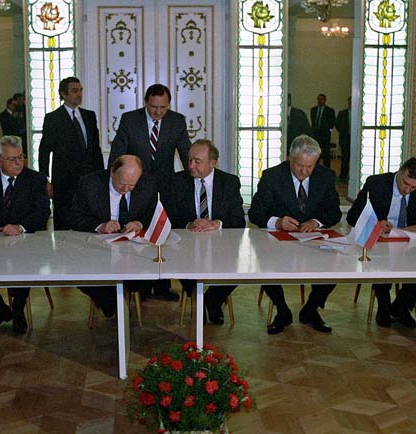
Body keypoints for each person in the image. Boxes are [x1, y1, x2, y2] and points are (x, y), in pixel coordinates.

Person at [248, 134, 342, 335]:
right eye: (300, 165)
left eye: (310, 166)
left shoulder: (325, 176)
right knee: (264, 265)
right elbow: (255, 212)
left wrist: (315, 222)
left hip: (312, 241)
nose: (305, 171)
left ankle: (310, 309)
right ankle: (282, 311)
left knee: (336, 266)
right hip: (277, 242)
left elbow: (334, 212)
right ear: (290, 157)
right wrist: (278, 222)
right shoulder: (272, 176)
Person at [109, 84, 191, 300]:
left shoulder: (177, 121)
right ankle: (142, 287)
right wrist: (113, 176)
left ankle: (163, 286)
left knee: (162, 234)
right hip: (138, 185)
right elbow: (118, 152)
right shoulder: (130, 119)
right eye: (154, 107)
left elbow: (185, 151)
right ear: (146, 102)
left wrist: (193, 176)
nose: (158, 112)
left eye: (163, 107)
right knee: (141, 233)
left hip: (166, 185)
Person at [346, 158, 416, 328]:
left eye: (414, 187)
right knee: (380, 263)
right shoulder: (376, 183)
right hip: (381, 242)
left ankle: (401, 307)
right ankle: (383, 306)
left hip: (409, 243)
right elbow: (353, 215)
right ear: (399, 171)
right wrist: (376, 223)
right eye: (405, 183)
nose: (407, 190)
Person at [0, 135, 50, 334]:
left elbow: (42, 212)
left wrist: (20, 227)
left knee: (24, 266)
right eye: (11, 159)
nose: (18, 162)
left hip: (27, 241)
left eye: (20, 157)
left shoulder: (36, 179)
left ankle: (18, 309)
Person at [164, 140, 245, 324]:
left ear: (212, 163)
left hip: (221, 246)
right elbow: (168, 218)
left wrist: (217, 223)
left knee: (237, 270)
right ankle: (198, 300)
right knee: (184, 267)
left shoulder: (229, 182)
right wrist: (189, 224)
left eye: (197, 161)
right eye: (189, 160)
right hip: (186, 247)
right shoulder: (176, 181)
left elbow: (238, 220)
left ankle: (212, 302)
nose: (191, 165)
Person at [69, 155, 156, 317]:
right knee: (81, 275)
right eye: (122, 184)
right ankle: (112, 303)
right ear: (112, 173)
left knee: (150, 272)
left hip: (134, 252)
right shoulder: (90, 183)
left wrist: (140, 223)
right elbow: (75, 216)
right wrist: (100, 226)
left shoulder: (147, 184)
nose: (126, 190)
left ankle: (119, 303)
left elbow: (154, 213)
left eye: (131, 186)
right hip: (97, 250)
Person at [39, 77, 104, 230]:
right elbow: (44, 151)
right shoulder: (53, 118)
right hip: (64, 180)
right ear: (64, 94)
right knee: (63, 221)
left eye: (80, 90)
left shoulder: (89, 116)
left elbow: (95, 149)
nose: (79, 94)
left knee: (89, 218)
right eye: (74, 91)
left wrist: (101, 175)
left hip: (88, 178)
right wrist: (44, 179)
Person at [310, 93, 335, 167]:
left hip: (325, 135)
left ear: (324, 100)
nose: (320, 101)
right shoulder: (313, 110)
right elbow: (313, 122)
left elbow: (332, 122)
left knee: (326, 154)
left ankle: (326, 170)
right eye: (318, 99)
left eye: (321, 99)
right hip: (315, 135)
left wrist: (328, 130)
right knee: (315, 153)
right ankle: (315, 169)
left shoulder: (330, 110)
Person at [335, 96, 351, 179]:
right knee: (345, 157)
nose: (351, 103)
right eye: (349, 102)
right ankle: (343, 175)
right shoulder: (342, 113)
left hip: (355, 139)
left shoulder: (358, 113)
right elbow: (337, 124)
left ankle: (352, 175)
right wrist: (343, 131)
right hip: (344, 138)